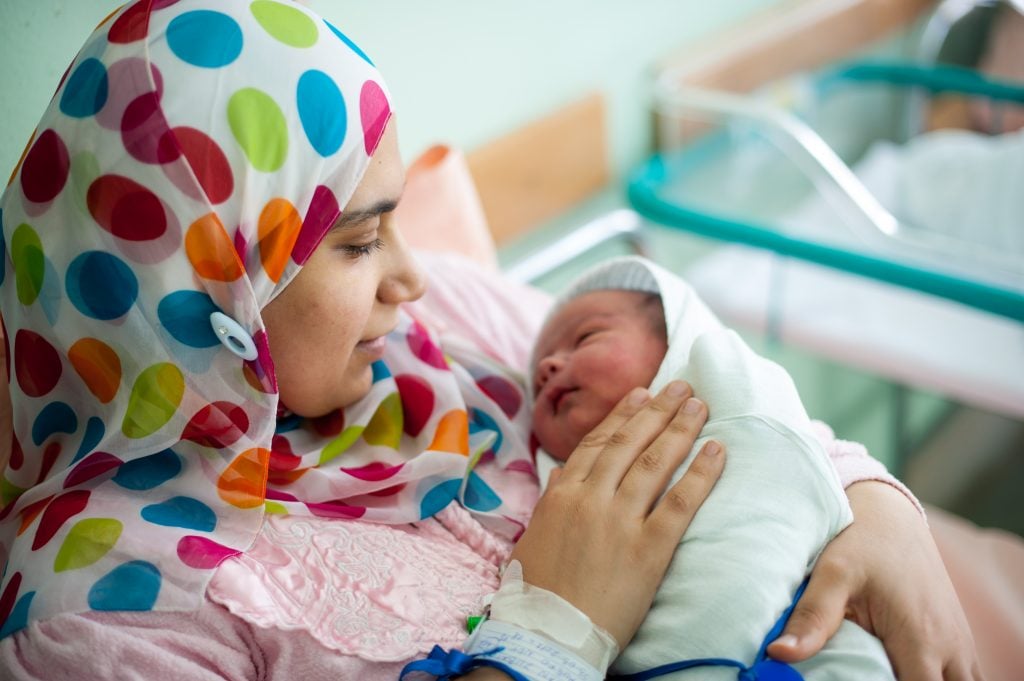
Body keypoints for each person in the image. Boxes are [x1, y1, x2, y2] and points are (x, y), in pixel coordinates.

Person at [0, 1, 979, 679]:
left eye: (395, 221)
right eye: (354, 243)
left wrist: (878, 506)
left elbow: (716, 388)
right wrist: (556, 631)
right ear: (202, 279)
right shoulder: (105, 618)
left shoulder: (451, 323)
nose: (410, 279)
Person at [530, 256, 896, 679]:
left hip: (807, 635)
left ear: (679, 338)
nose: (547, 367)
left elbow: (792, 482)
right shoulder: (555, 503)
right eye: (537, 379)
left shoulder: (742, 400)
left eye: (586, 337)